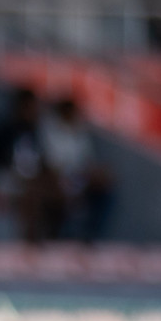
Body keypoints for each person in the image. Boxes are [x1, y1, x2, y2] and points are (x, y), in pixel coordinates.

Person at [0, 87, 64, 244]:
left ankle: (53, 240)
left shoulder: (34, 132)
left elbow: (40, 161)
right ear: (21, 106)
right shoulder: (4, 129)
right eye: (32, 107)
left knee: (56, 192)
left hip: (26, 180)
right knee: (31, 195)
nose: (36, 111)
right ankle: (27, 246)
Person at [39, 96, 114, 243]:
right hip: (57, 178)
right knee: (57, 190)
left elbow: (87, 160)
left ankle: (90, 236)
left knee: (105, 186)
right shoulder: (49, 129)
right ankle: (56, 237)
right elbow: (51, 163)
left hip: (79, 178)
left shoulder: (79, 130)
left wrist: (95, 173)